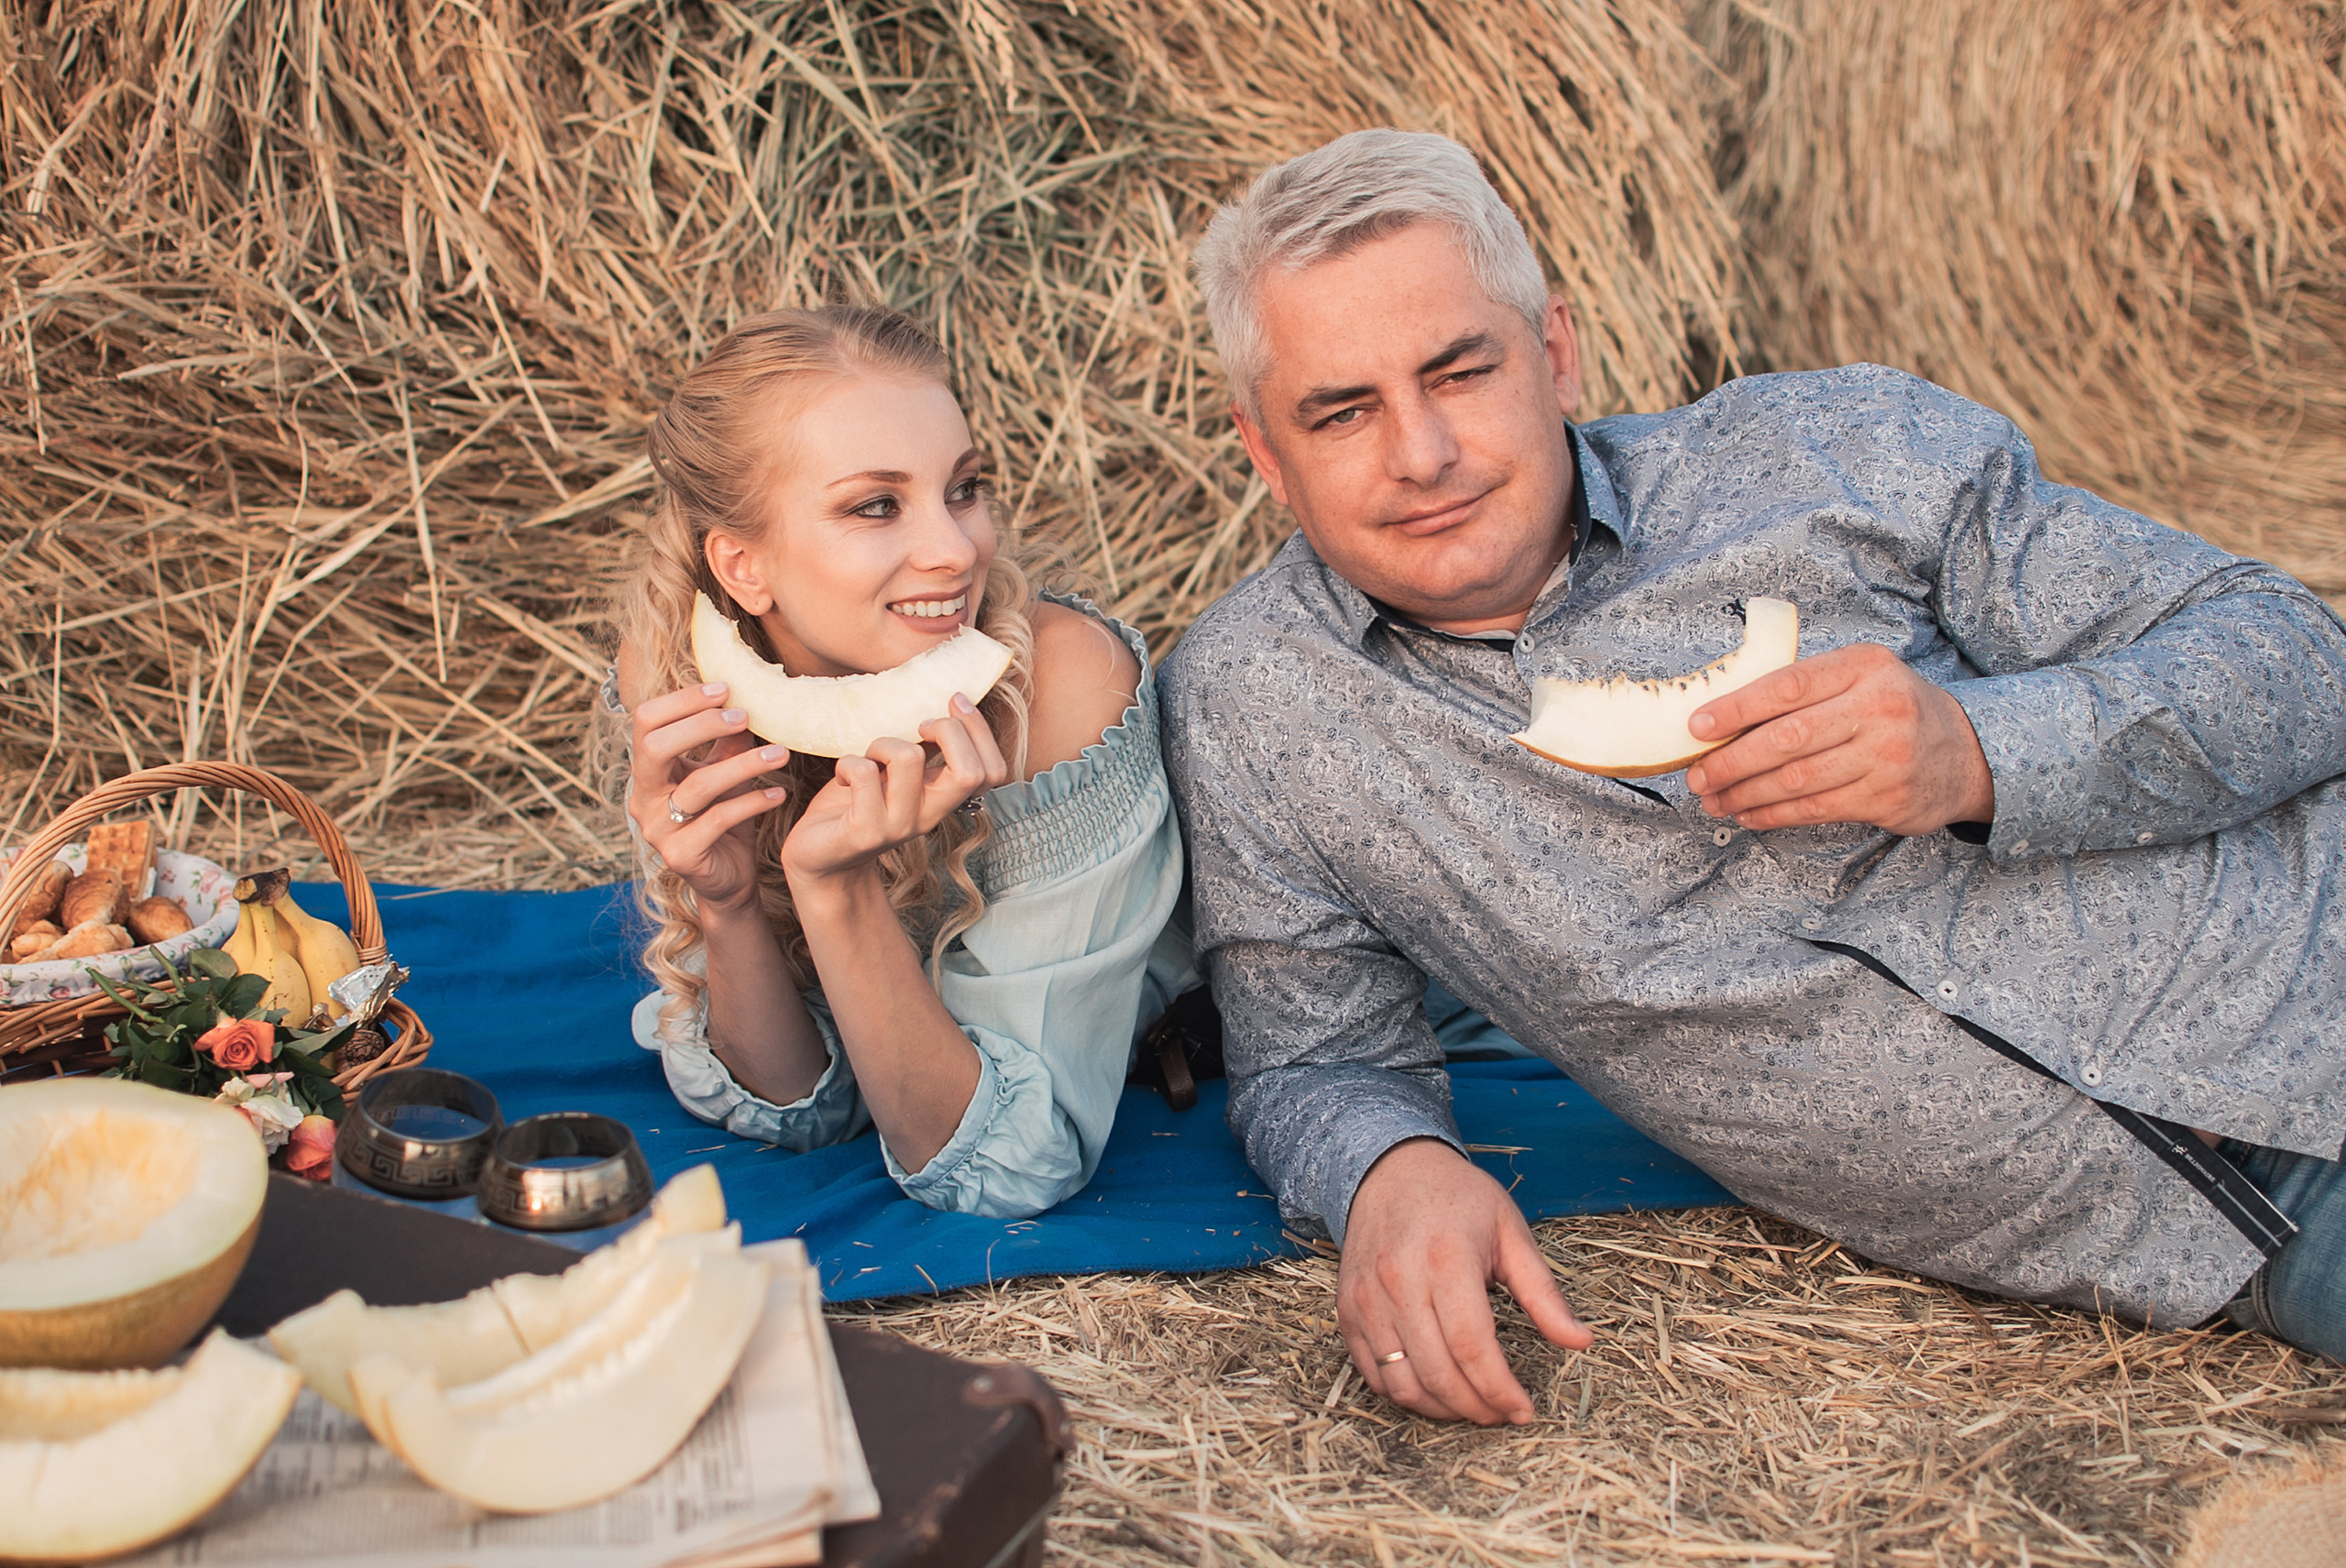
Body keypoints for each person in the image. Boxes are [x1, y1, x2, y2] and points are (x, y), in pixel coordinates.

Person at [1161, 127, 2346, 1426]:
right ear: (1264, 451)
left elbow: (2298, 657)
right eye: (1344, 411)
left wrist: (1985, 748)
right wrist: (1386, 1165)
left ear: (1554, 350)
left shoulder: (1836, 447)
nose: (1424, 452)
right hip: (2237, 1231)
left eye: (1460, 370)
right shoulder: (1257, 703)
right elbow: (1307, 1058)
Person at [609, 305, 1191, 1219]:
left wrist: (837, 895)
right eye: (876, 505)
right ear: (743, 567)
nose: (956, 550)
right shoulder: (680, 681)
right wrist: (726, 907)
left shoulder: (1064, 687)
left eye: (963, 488)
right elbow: (796, 1110)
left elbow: (1010, 1167)